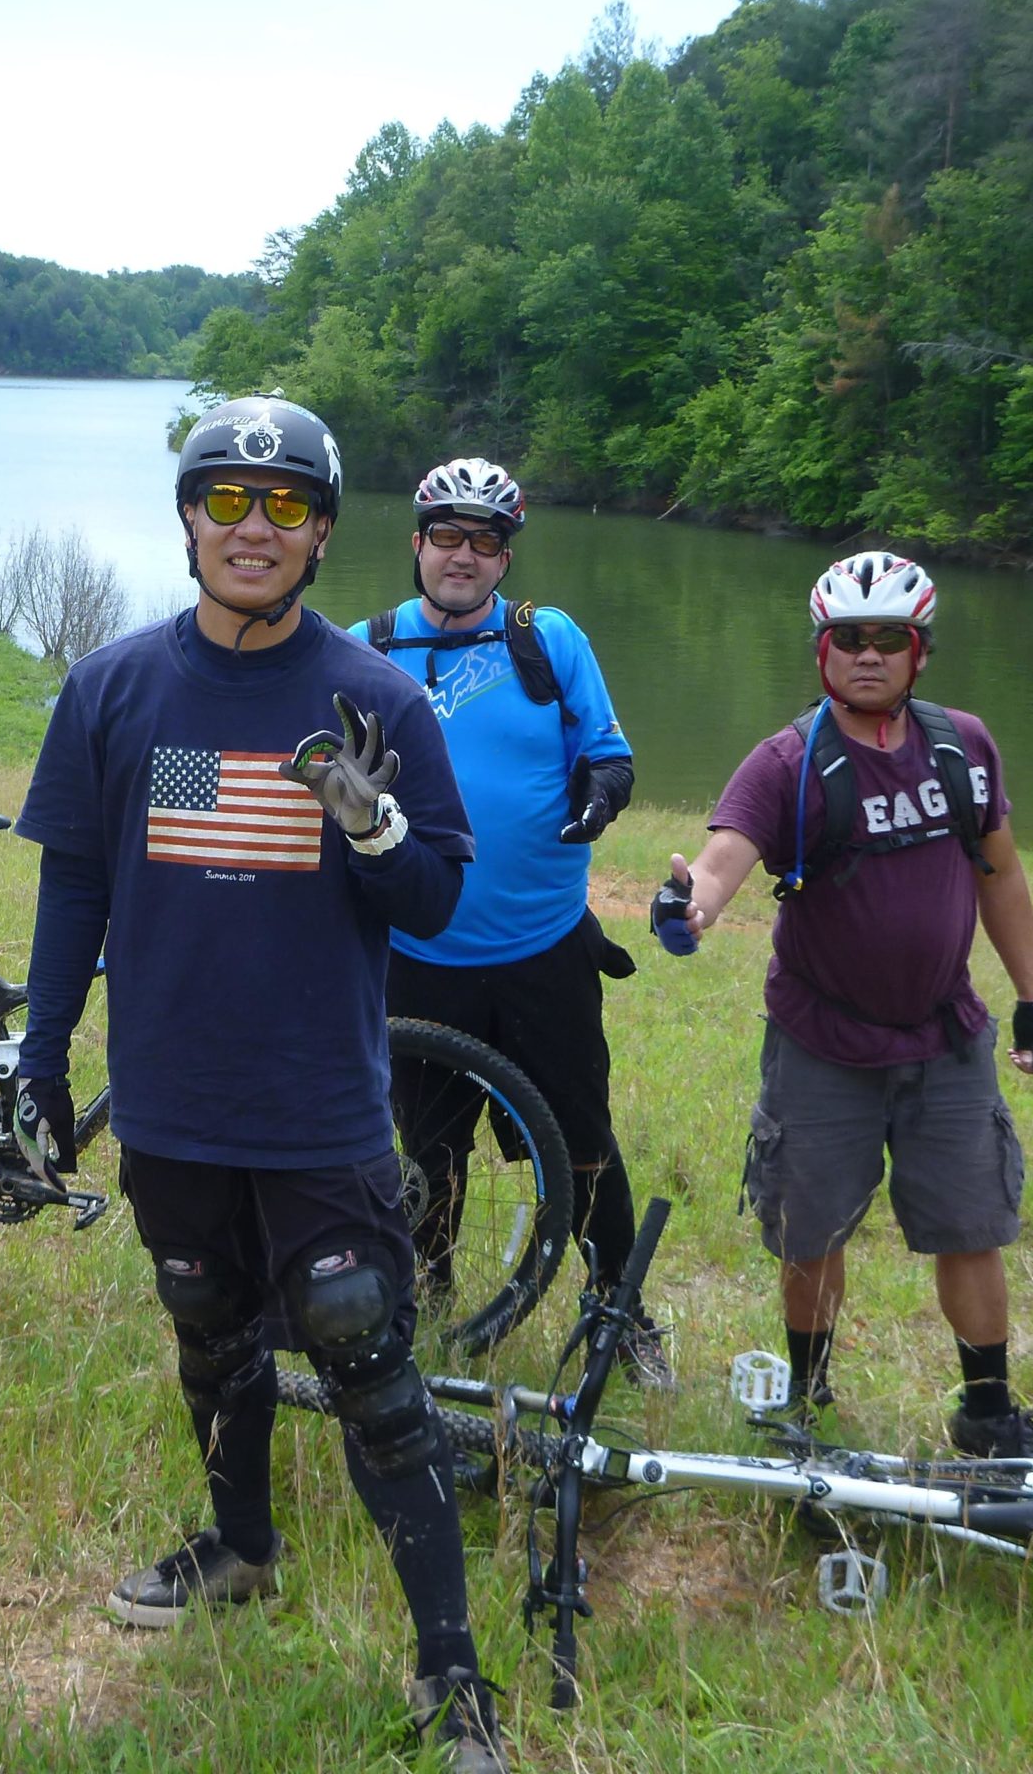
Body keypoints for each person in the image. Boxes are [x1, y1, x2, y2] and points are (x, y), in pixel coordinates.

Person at [11, 396, 508, 1771]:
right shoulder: (114, 688)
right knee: (209, 1325)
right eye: (227, 499)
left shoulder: (380, 697)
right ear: (186, 518)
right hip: (172, 1094)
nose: (252, 526)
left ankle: (449, 1672)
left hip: (315, 1102)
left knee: (367, 1356)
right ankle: (239, 1547)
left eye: (285, 506)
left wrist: (371, 817)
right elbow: (75, 886)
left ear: (322, 534)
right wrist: (42, 1055)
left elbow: (434, 901)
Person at [652, 551, 1033, 1458]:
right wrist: (692, 907)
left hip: (946, 1039)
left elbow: (1000, 871)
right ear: (821, 650)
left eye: (890, 640)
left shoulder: (964, 747)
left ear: (920, 652)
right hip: (822, 1043)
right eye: (849, 639)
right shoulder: (788, 763)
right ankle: (808, 1395)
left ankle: (988, 1411)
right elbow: (724, 856)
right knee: (811, 1229)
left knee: (972, 1225)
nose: (868, 655)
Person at [353, 457, 666, 1382]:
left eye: (484, 542)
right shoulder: (368, 647)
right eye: (445, 537)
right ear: (416, 547)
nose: (463, 556)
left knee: (583, 1140)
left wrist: (601, 795)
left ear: (504, 558)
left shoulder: (547, 639)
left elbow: (609, 752)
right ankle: (431, 1311)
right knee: (425, 1151)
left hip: (541, 950)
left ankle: (622, 1314)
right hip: (417, 952)